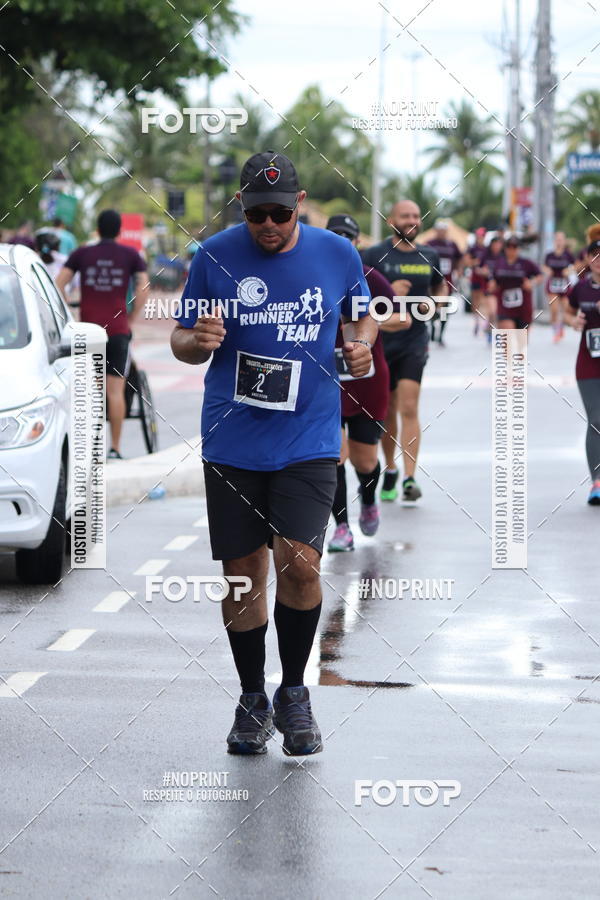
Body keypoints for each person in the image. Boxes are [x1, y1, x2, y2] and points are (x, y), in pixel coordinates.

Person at [171, 151, 377, 756]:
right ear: (241, 207)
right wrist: (196, 340)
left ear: (300, 203)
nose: (269, 225)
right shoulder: (213, 256)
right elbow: (183, 337)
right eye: (258, 214)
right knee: (243, 578)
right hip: (233, 440)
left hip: (309, 437)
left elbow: (360, 321)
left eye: (280, 214)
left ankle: (294, 691)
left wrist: (359, 349)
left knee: (301, 564)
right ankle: (251, 698)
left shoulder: (337, 254)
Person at [325, 214, 403, 551]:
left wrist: (368, 322)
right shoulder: (313, 278)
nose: (342, 241)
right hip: (327, 377)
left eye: (348, 236)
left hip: (367, 377)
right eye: (335, 235)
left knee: (365, 460)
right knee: (334, 455)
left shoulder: (370, 278)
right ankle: (341, 526)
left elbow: (404, 317)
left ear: (357, 242)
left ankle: (368, 500)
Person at [360, 199, 444, 503]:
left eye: (416, 216)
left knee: (409, 407)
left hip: (414, 341)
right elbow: (359, 293)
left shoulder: (430, 254)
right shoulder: (372, 254)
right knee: (388, 410)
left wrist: (432, 306)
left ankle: (410, 477)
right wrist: (389, 292)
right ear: (391, 220)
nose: (411, 220)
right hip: (382, 341)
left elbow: (440, 289)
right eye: (404, 215)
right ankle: (391, 468)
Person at [56, 209, 148, 459]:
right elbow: (143, 286)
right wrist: (132, 317)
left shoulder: (82, 253)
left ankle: (92, 447)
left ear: (97, 229)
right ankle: (115, 448)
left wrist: (71, 316)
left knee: (92, 392)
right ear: (120, 230)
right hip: (118, 332)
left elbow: (59, 283)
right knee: (115, 392)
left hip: (89, 333)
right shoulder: (131, 255)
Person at [563, 225, 600, 505]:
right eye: (595, 254)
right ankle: (596, 482)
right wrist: (573, 321)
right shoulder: (581, 287)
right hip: (588, 362)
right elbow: (567, 311)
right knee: (596, 420)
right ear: (588, 259)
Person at [487, 236, 543, 332]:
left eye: (515, 247)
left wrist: (532, 283)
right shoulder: (499, 263)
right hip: (505, 306)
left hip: (523, 307)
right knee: (507, 338)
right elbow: (493, 280)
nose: (511, 250)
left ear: (519, 249)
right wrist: (492, 284)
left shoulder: (526, 263)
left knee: (520, 344)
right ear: (505, 248)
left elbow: (540, 276)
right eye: (509, 247)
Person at [425, 219, 463, 345]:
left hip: (447, 281)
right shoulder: (430, 244)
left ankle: (440, 334)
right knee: (432, 306)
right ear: (436, 230)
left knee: (445, 309)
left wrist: (458, 270)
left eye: (444, 230)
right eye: (440, 230)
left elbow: (459, 258)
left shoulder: (452, 245)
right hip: (432, 281)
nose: (442, 233)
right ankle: (431, 329)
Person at [543, 232, 575, 343]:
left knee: (566, 309)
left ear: (564, 241)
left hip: (564, 285)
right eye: (557, 239)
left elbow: (575, 265)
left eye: (561, 239)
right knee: (554, 309)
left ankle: (560, 326)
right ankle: (556, 332)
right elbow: (544, 266)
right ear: (554, 241)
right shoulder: (549, 255)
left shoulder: (568, 254)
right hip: (552, 285)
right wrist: (547, 270)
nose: (559, 242)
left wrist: (569, 270)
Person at [465, 227, 489, 335]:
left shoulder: (487, 249)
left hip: (484, 278)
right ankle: (476, 322)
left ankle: (484, 321)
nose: (480, 238)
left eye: (482, 236)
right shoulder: (472, 249)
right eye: (479, 236)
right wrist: (475, 262)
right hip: (475, 277)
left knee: (484, 300)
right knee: (475, 300)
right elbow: (467, 262)